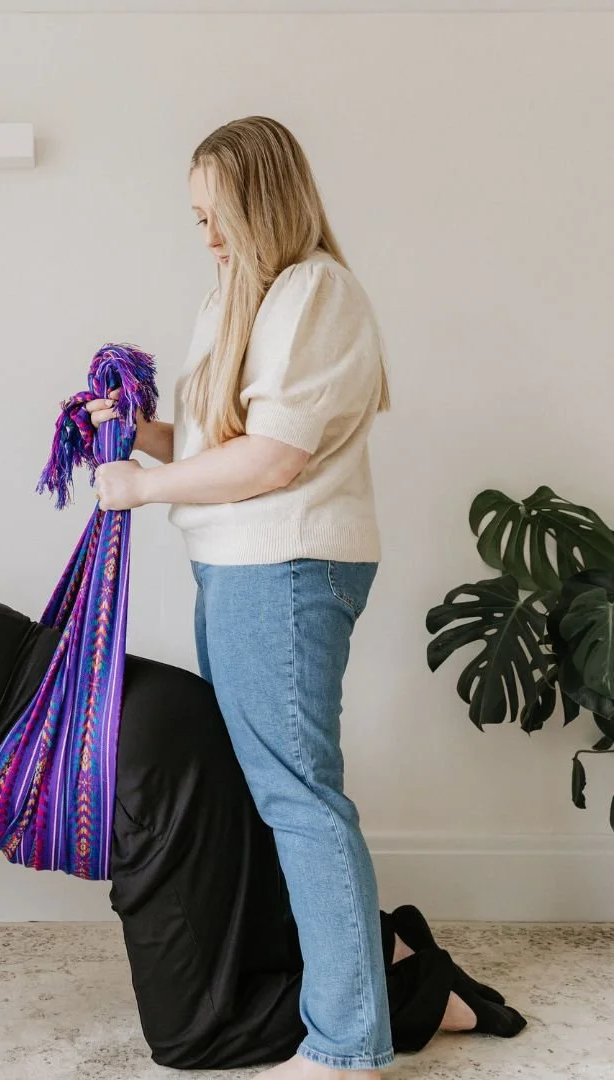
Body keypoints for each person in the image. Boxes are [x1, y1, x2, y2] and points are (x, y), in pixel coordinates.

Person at [0, 563, 525, 1070]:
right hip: (148, 760)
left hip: (151, 770)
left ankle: (412, 994)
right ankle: (381, 944)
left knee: (194, 1034)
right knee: (239, 940)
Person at [86, 115, 416, 1078]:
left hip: (284, 569)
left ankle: (349, 1044)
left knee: (299, 798)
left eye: (218, 217)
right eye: (197, 220)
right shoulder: (239, 299)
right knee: (283, 795)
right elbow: (219, 446)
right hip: (243, 570)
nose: (208, 238)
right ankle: (360, 989)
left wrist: (144, 488)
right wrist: (142, 436)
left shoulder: (314, 291)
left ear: (264, 203)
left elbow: (273, 459)